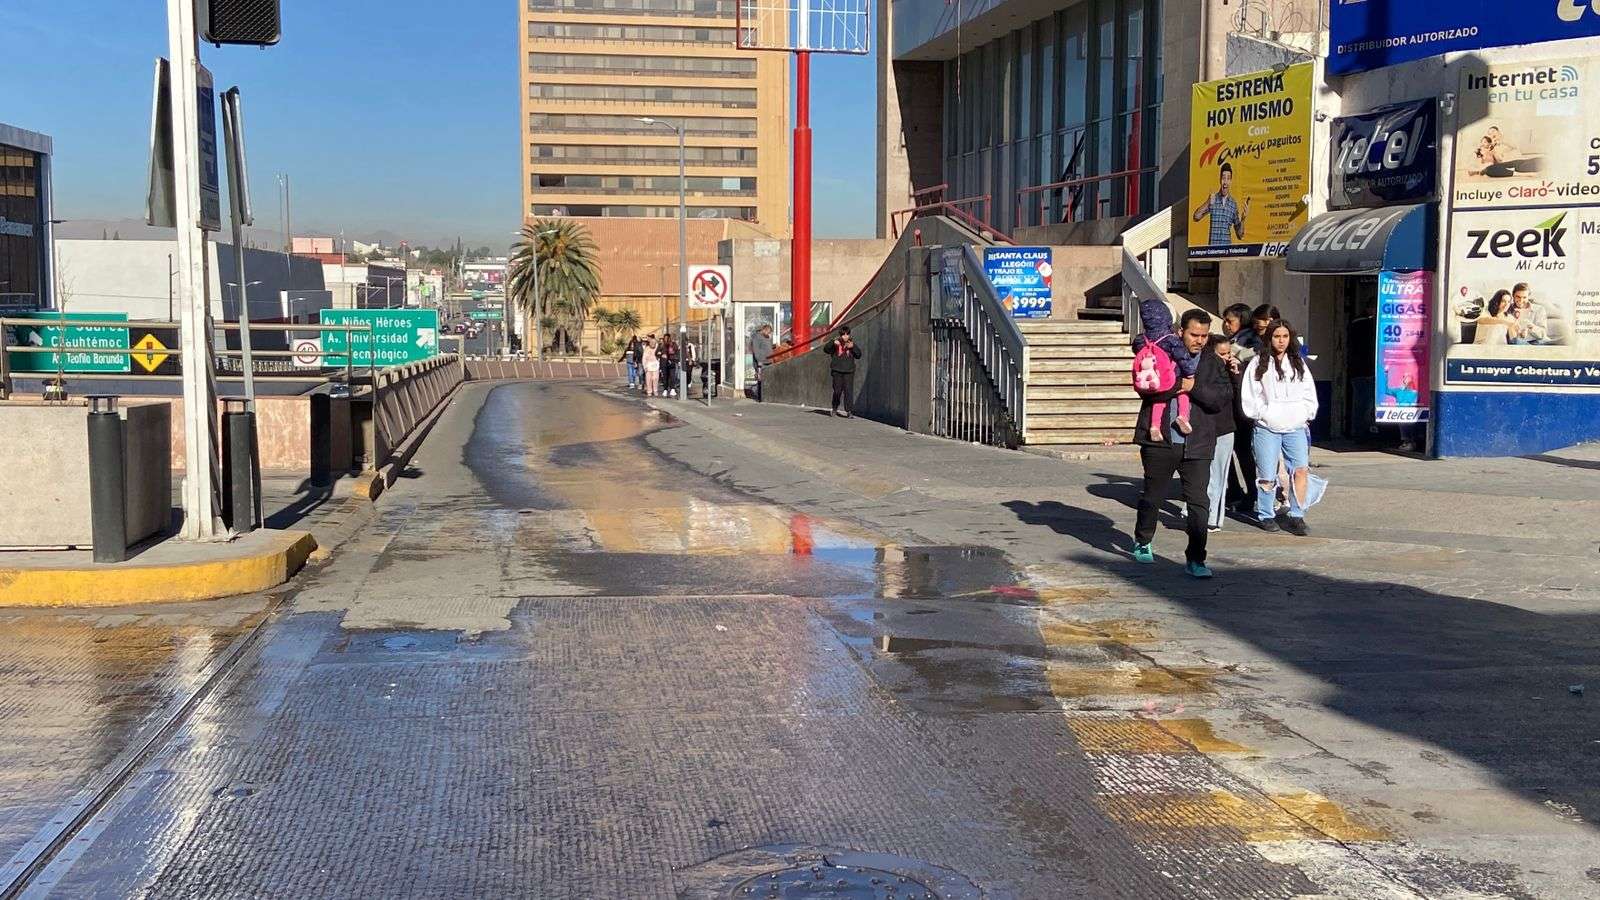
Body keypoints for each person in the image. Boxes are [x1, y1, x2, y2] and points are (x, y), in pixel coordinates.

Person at [1132, 309, 1232, 578]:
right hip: (1160, 440)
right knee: (1152, 495)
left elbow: (1221, 398)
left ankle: (1196, 558)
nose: (1199, 340)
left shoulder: (1212, 362)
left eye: (1204, 335)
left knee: (1199, 503)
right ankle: (1143, 540)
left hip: (1198, 443)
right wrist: (1177, 383)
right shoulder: (1161, 352)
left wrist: (1192, 388)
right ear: (1180, 332)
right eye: (1194, 334)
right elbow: (1145, 388)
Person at [1240, 319, 1318, 536]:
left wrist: (1306, 414)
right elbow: (1251, 393)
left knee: (1300, 470)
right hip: (1267, 427)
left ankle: (1297, 514)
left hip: (1295, 427)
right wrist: (1262, 414)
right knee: (1267, 473)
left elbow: (1308, 391)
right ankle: (1266, 515)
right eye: (1276, 336)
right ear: (1270, 338)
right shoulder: (1258, 362)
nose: (1281, 341)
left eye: (1285, 336)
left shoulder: (1298, 362)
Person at [1132, 298, 1199, 440]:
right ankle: (1183, 416)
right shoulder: (1170, 339)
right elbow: (1182, 357)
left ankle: (1155, 426)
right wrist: (1190, 372)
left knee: (1159, 400)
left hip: (1152, 377)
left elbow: (1136, 349)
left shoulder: (1141, 339)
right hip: (1171, 376)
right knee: (1183, 393)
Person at [1203, 335, 1242, 533]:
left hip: (1224, 426)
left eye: (1229, 353)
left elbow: (1238, 399)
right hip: (1204, 426)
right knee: (1201, 473)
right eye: (1222, 354)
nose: (1227, 357)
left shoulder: (1230, 371)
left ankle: (1212, 517)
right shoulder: (1204, 369)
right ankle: (1197, 510)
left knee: (1218, 473)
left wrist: (1235, 374)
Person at [1192, 161, 1249, 246]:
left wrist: (1243, 219)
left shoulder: (1233, 204)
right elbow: (1196, 217)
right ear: (1220, 179)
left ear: (1231, 181)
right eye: (1223, 178)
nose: (1225, 182)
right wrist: (1208, 202)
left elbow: (1240, 235)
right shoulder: (1213, 199)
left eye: (1228, 178)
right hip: (1212, 252)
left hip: (1226, 252)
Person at [823, 326, 862, 417]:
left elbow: (859, 355)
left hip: (849, 371)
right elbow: (826, 349)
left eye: (847, 334)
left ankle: (849, 411)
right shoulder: (836, 343)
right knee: (837, 391)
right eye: (843, 335)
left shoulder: (851, 344)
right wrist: (832, 342)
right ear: (840, 335)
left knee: (848, 391)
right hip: (837, 370)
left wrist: (853, 347)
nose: (845, 336)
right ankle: (835, 407)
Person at [748, 323, 775, 402]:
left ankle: (763, 395)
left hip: (768, 361)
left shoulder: (766, 337)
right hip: (761, 362)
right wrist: (759, 361)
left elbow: (766, 347)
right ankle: (759, 396)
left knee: (766, 379)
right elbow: (756, 350)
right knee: (761, 379)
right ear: (764, 330)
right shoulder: (757, 337)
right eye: (768, 332)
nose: (769, 334)